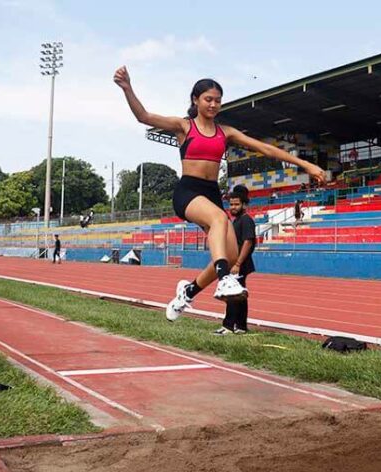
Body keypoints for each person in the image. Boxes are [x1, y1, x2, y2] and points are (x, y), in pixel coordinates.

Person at [113, 67, 324, 321]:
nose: (213, 104)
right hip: (188, 191)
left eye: (217, 100)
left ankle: (188, 292)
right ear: (195, 100)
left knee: (232, 256)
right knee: (219, 220)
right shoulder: (184, 126)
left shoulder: (227, 132)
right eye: (208, 99)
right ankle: (225, 280)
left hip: (212, 192)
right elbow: (144, 116)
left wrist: (307, 165)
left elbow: (265, 149)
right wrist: (127, 88)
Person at [215, 187, 256, 335]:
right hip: (235, 263)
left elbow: (248, 242)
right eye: (231, 204)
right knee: (239, 295)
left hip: (239, 265)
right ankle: (241, 326)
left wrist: (238, 263)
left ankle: (228, 326)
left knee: (232, 294)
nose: (233, 207)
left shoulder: (246, 220)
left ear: (244, 205)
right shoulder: (237, 221)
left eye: (236, 204)